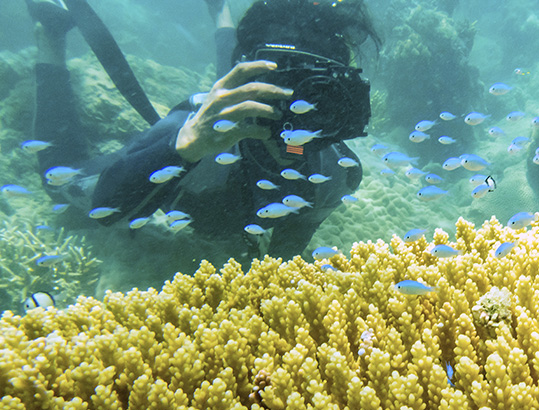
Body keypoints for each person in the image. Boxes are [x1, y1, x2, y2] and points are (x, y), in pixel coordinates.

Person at [25, 0, 380, 262]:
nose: (292, 104)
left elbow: (295, 233)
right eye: (276, 84)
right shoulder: (196, 129)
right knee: (59, 182)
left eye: (316, 90)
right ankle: (51, 37)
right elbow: (105, 208)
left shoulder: (337, 176)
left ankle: (222, 13)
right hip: (203, 131)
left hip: (244, 81)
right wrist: (183, 149)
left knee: (254, 72)